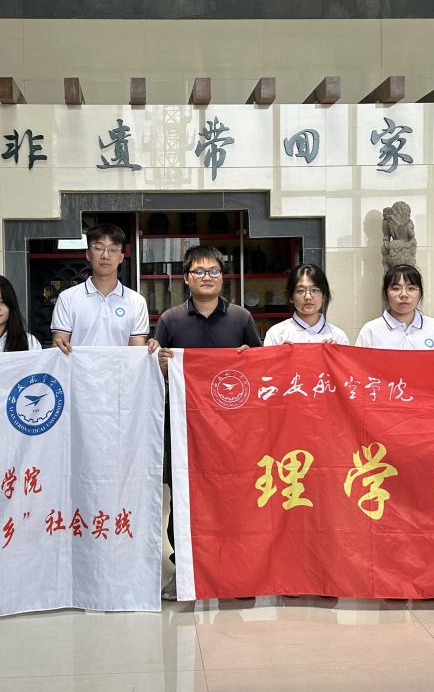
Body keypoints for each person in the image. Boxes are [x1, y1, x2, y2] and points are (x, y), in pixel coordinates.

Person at [154, 245, 262, 600]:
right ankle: (184, 570)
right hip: (183, 428)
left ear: (222, 277)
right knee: (184, 498)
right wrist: (160, 365)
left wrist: (250, 359)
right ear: (186, 278)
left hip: (232, 430)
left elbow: (261, 369)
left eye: (213, 271)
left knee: (233, 498)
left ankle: (235, 573)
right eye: (199, 271)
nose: (206, 277)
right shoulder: (170, 320)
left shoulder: (241, 319)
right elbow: (153, 372)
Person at [50, 223, 156, 353]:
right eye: (99, 248)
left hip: (120, 368)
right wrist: (57, 346)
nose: (105, 255)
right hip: (79, 367)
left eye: (113, 249)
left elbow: (136, 353)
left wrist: (149, 349)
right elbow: (59, 349)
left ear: (121, 257)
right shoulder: (67, 298)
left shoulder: (137, 302)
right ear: (88, 254)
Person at [355, 264, 434, 350]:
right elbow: (358, 364)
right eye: (396, 288)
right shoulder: (370, 331)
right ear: (385, 293)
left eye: (411, 288)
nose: (404, 294)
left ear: (420, 293)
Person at [264, 263, 349, 345]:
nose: (308, 297)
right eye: (300, 290)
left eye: (314, 290)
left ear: (324, 296)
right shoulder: (276, 334)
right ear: (291, 297)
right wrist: (280, 353)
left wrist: (334, 352)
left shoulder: (338, 336)